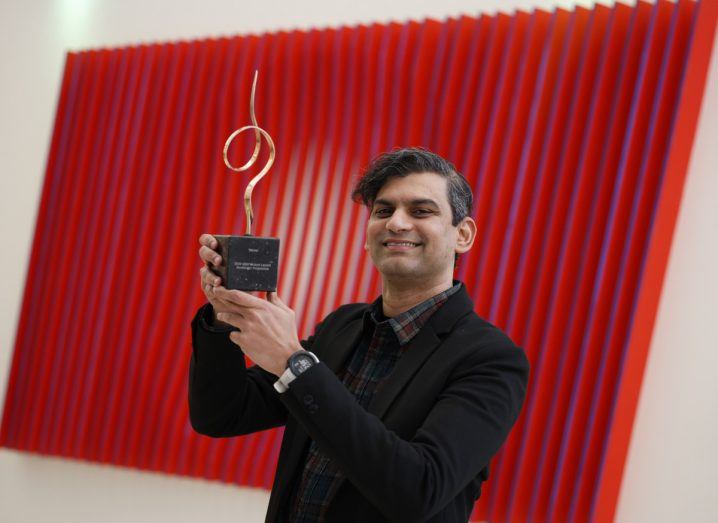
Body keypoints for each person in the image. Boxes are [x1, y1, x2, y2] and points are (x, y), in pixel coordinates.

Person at [189, 147, 529, 522]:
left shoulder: (491, 360)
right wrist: (224, 316)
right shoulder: (343, 326)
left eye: (421, 211)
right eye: (383, 211)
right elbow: (222, 415)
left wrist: (295, 364)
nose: (396, 223)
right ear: (368, 238)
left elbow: (417, 490)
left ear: (462, 234)